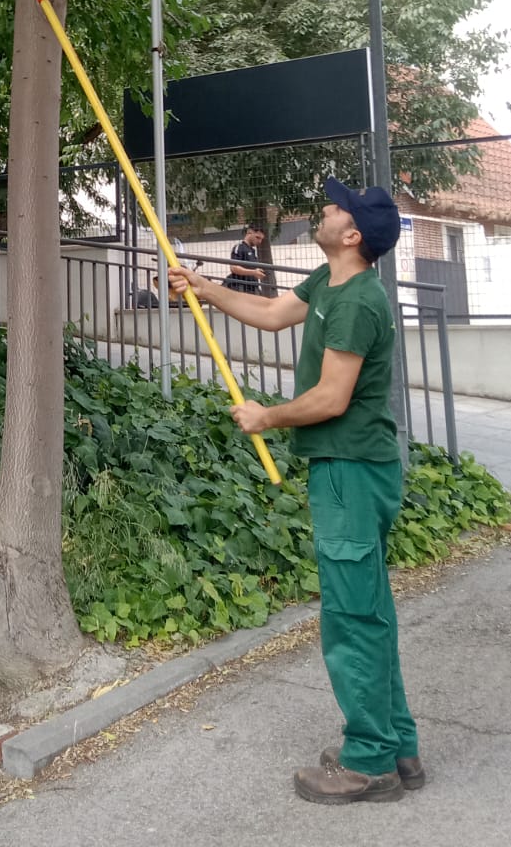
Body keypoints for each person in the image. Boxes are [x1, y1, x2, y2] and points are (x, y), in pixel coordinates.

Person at [169, 178, 420, 806]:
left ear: (353, 234)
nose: (324, 212)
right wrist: (204, 287)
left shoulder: (359, 300)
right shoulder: (330, 282)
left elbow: (332, 398)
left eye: (335, 209)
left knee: (352, 616)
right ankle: (398, 746)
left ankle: (370, 760)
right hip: (347, 467)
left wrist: (267, 417)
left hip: (350, 469)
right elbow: (274, 314)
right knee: (369, 608)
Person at [222, 224, 268, 294]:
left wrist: (256, 272)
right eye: (257, 237)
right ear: (249, 232)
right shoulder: (239, 247)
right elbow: (234, 268)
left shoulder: (252, 250)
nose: (260, 241)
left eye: (261, 239)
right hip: (240, 287)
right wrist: (254, 272)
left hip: (251, 288)